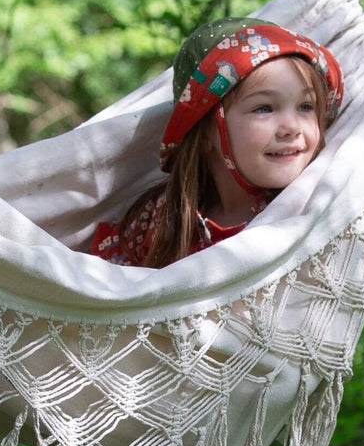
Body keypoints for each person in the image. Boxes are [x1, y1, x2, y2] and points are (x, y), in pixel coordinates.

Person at [91, 18, 344, 267]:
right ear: (203, 135)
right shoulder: (162, 221)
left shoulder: (315, 212)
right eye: (264, 108)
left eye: (306, 106)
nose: (292, 128)